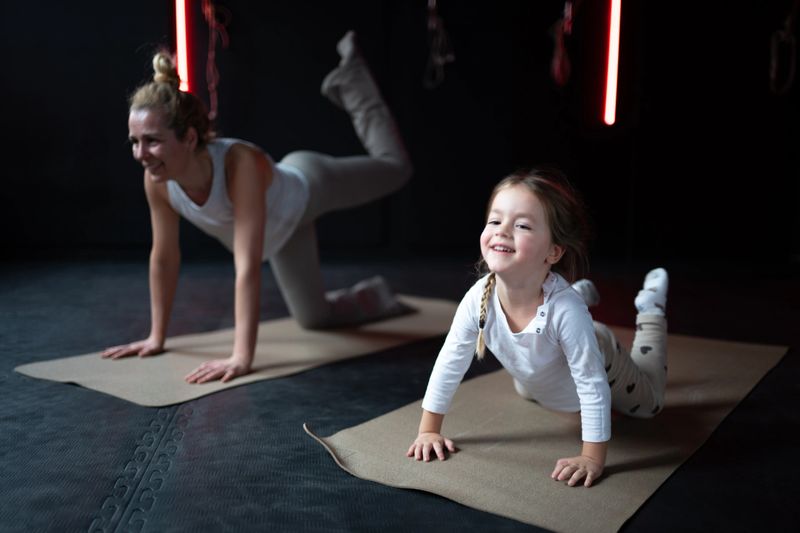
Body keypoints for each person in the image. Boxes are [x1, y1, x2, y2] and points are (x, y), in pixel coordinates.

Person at [101, 31, 413, 384]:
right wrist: (157, 337)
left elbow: (247, 266)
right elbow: (164, 257)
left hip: (309, 186)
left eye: (152, 141)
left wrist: (241, 356)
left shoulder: (239, 165)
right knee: (314, 319)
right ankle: (378, 295)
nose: (140, 155)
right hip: (281, 234)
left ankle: (353, 81)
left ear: (188, 138)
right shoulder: (157, 179)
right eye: (134, 142)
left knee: (396, 168)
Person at [406, 169, 668, 488]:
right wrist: (428, 430)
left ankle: (650, 310)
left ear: (553, 252)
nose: (503, 231)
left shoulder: (565, 313)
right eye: (495, 221)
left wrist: (592, 457)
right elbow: (450, 361)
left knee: (649, 406)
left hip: (602, 358)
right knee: (525, 387)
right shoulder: (478, 298)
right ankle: (579, 295)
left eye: (522, 225)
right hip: (541, 368)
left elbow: (591, 382)